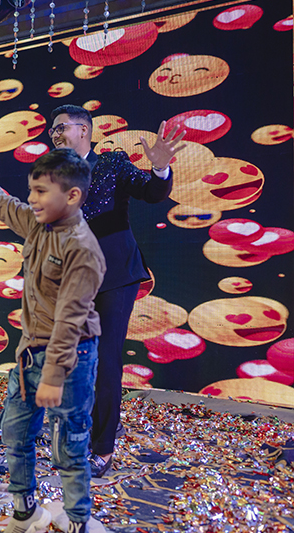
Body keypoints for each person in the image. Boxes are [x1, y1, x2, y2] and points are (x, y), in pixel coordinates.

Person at [0, 146, 106, 533]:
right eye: (31, 190)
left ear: (72, 195)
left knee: (69, 444)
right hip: (30, 355)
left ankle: (77, 521)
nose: (32, 199)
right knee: (15, 433)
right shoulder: (38, 223)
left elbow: (69, 321)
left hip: (70, 359)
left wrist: (53, 376)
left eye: (41, 191)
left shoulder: (82, 248)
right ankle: (25, 511)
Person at [49, 105, 186, 477]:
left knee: (106, 359)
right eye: (52, 131)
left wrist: (160, 168)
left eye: (61, 128)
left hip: (114, 275)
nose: (56, 135)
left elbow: (151, 192)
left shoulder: (111, 163)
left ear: (84, 130)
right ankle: (89, 427)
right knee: (77, 359)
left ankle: (103, 449)